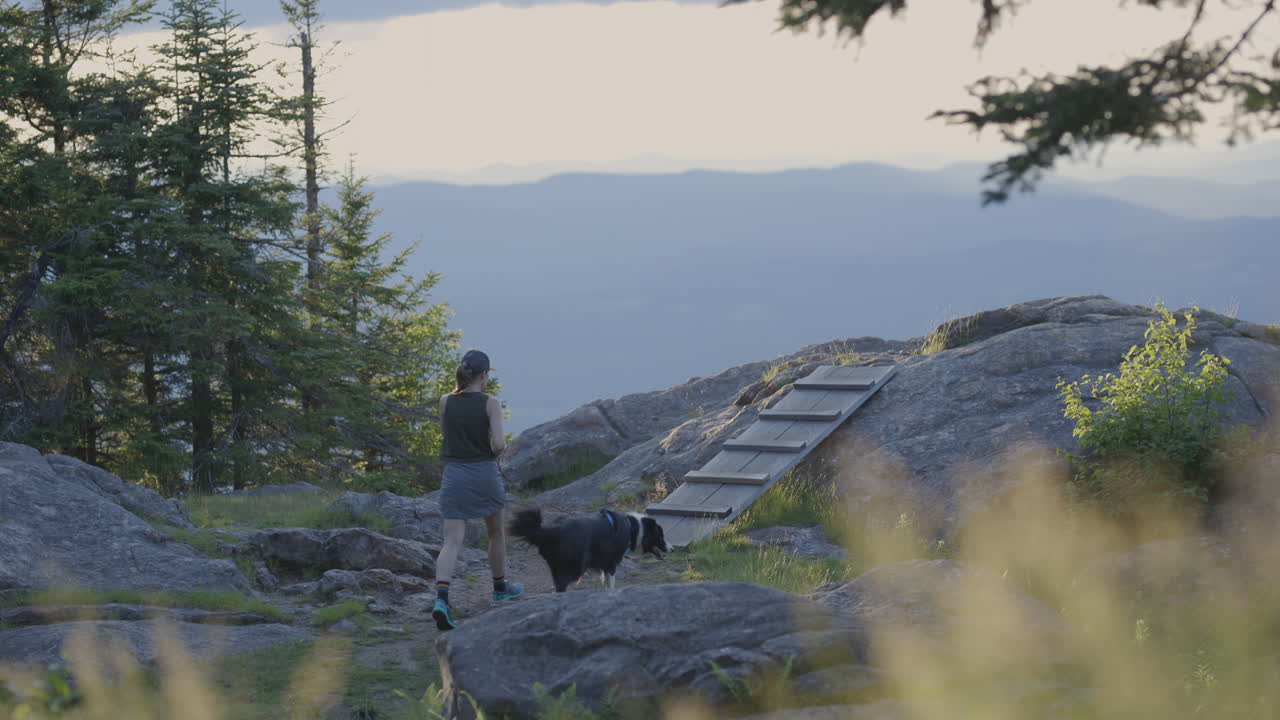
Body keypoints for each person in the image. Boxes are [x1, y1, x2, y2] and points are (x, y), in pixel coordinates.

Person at [432, 349, 524, 631]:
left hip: (455, 475)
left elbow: (447, 433)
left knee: (451, 541)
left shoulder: (445, 401)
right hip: (484, 473)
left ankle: (442, 600)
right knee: (495, 532)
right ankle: (500, 588)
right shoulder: (490, 403)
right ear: (484, 375)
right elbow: (499, 444)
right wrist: (494, 449)